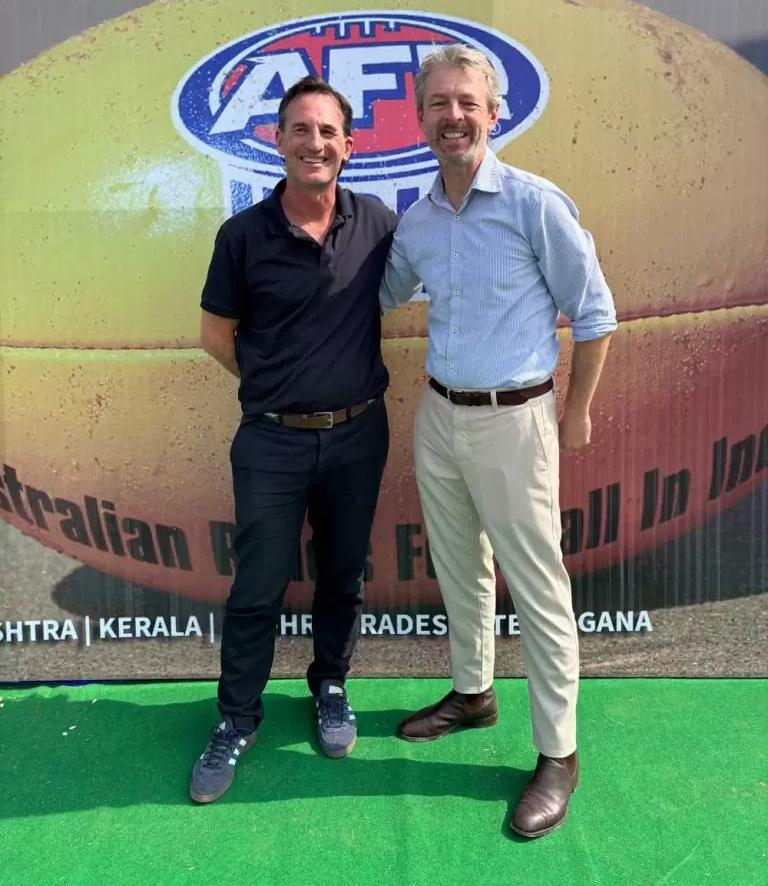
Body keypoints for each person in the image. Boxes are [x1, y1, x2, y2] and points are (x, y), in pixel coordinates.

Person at [380, 45, 617, 838]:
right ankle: (473, 693)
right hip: (439, 416)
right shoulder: (417, 220)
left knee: (539, 589)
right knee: (459, 567)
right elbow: (374, 295)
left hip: (517, 420)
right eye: (438, 104)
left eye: (466, 102)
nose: (453, 116)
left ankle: (559, 754)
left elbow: (596, 314)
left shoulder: (533, 203)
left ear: (493, 112)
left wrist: (576, 412)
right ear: (420, 118)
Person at [190, 76, 396, 804]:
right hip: (271, 442)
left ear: (349, 145)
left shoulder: (378, 223)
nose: (315, 143)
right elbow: (215, 335)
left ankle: (330, 686)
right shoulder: (242, 236)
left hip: (358, 435)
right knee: (258, 584)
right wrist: (276, 383)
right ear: (276, 140)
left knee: (343, 574)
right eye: (300, 129)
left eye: (328, 131)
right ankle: (236, 719)